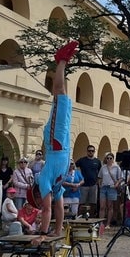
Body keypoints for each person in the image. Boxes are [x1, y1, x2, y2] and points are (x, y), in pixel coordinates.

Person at [31, 40, 78, 242]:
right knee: (64, 98)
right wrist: (56, 231)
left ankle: (60, 61)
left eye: (38, 200)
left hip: (56, 143)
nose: (42, 202)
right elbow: (57, 207)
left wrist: (42, 234)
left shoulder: (43, 181)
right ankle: (63, 64)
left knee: (58, 94)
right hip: (63, 146)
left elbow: (48, 209)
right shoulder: (54, 187)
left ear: (37, 193)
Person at [75, 145, 102, 216]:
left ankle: (91, 218)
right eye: (89, 151)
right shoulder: (82, 160)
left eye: (92, 151)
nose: (91, 152)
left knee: (93, 203)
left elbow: (100, 173)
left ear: (94, 152)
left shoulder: (97, 161)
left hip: (93, 185)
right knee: (81, 203)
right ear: (87, 151)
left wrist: (98, 182)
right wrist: (78, 178)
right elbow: (74, 167)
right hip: (83, 185)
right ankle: (80, 217)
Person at [98, 152, 122, 227]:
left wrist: (117, 184)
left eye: (110, 158)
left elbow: (120, 178)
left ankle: (108, 223)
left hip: (112, 187)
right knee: (102, 206)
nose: (109, 159)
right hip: (104, 187)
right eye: (107, 158)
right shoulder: (103, 167)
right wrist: (99, 184)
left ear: (113, 159)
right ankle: (101, 223)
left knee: (110, 206)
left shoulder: (116, 167)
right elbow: (99, 177)